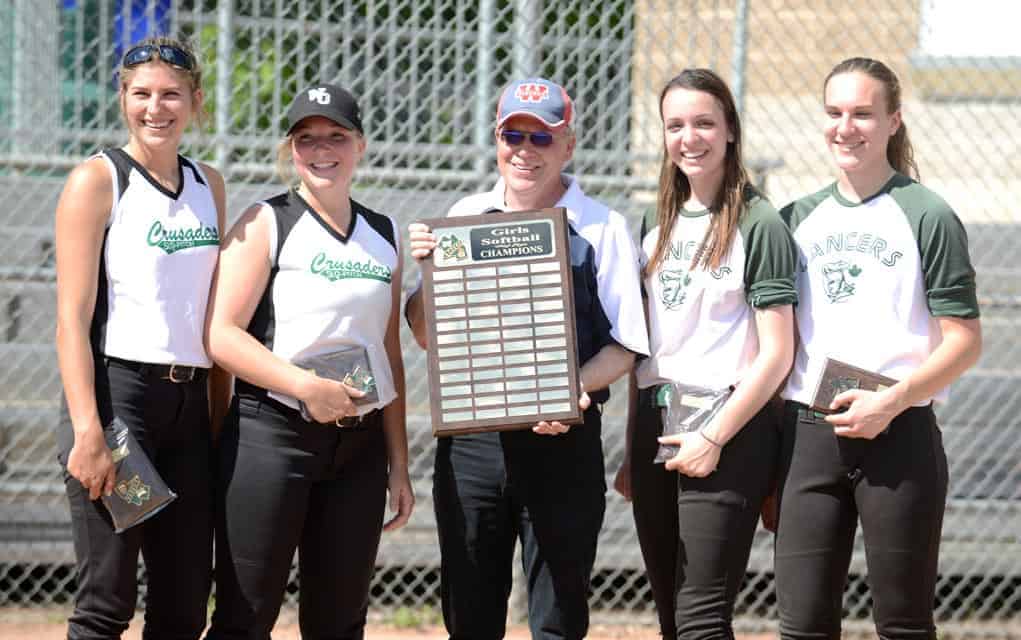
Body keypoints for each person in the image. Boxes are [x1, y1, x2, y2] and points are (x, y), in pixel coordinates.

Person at [405, 77, 649, 639]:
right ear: (496, 138)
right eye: (513, 134)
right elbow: (425, 336)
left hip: (561, 438)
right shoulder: (466, 214)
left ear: (568, 145)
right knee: (469, 614)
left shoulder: (604, 226)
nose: (525, 150)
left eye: (542, 138)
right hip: (473, 444)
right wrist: (427, 274)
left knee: (557, 619)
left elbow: (628, 345)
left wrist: (564, 391)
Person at [774, 57, 983, 640]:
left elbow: (965, 341)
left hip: (899, 434)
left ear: (894, 121)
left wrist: (889, 402)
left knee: (904, 623)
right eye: (835, 113)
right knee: (803, 624)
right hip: (809, 435)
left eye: (863, 113)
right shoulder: (795, 218)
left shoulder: (928, 215)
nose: (846, 127)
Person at [204, 83, 413, 639]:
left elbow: (388, 352)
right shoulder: (268, 222)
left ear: (361, 145)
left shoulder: (384, 233)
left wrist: (399, 462)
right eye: (306, 139)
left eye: (336, 137)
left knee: (340, 621)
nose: (322, 150)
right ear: (290, 150)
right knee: (244, 617)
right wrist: (303, 385)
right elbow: (220, 335)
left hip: (360, 445)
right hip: (272, 434)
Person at [612, 68, 797, 639]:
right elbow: (650, 353)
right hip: (655, 423)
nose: (689, 137)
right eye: (675, 125)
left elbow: (778, 353)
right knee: (670, 608)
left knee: (700, 615)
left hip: (726, 425)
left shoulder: (757, 222)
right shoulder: (654, 220)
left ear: (730, 131)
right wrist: (629, 449)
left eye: (703, 123)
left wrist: (715, 436)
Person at [54, 35, 227, 639]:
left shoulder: (210, 184)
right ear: (122, 98)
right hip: (120, 401)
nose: (157, 108)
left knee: (183, 605)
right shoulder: (97, 180)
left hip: (191, 406)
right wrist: (88, 431)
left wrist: (216, 419)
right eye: (142, 94)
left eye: (172, 94)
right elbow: (71, 320)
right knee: (107, 602)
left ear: (196, 102)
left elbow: (214, 314)